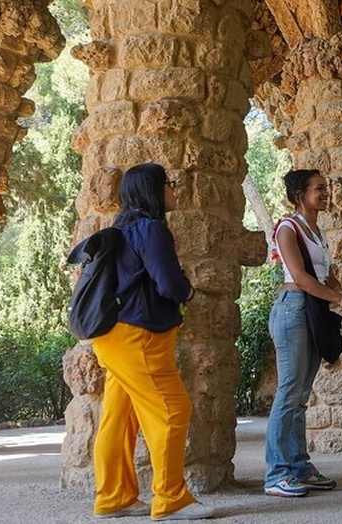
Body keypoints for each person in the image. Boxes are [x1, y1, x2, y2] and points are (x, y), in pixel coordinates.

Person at [91, 163, 213, 520]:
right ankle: (171, 499)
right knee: (173, 409)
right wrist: (188, 291)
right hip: (138, 338)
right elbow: (169, 284)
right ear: (153, 190)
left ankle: (114, 497)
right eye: (169, 184)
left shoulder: (121, 229)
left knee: (119, 417)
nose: (174, 190)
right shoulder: (150, 228)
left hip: (112, 337)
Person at [265, 169, 342, 497]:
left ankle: (299, 466)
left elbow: (325, 276)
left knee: (301, 396)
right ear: (300, 195)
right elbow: (301, 278)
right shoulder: (287, 228)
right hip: (292, 308)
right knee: (289, 392)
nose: (325, 192)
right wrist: (338, 299)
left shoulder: (317, 232)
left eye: (326, 187)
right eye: (319, 188)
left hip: (310, 310)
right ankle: (277, 473)